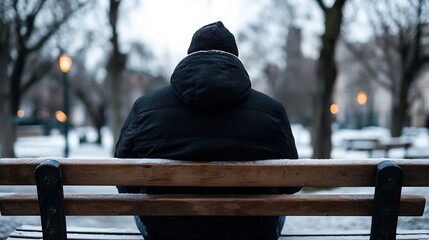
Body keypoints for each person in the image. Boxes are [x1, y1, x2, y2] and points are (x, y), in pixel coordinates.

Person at [115, 21, 300, 240]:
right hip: (252, 231)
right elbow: (291, 183)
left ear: (190, 56)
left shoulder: (145, 108)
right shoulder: (273, 111)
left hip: (165, 231)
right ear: (235, 59)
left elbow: (124, 180)